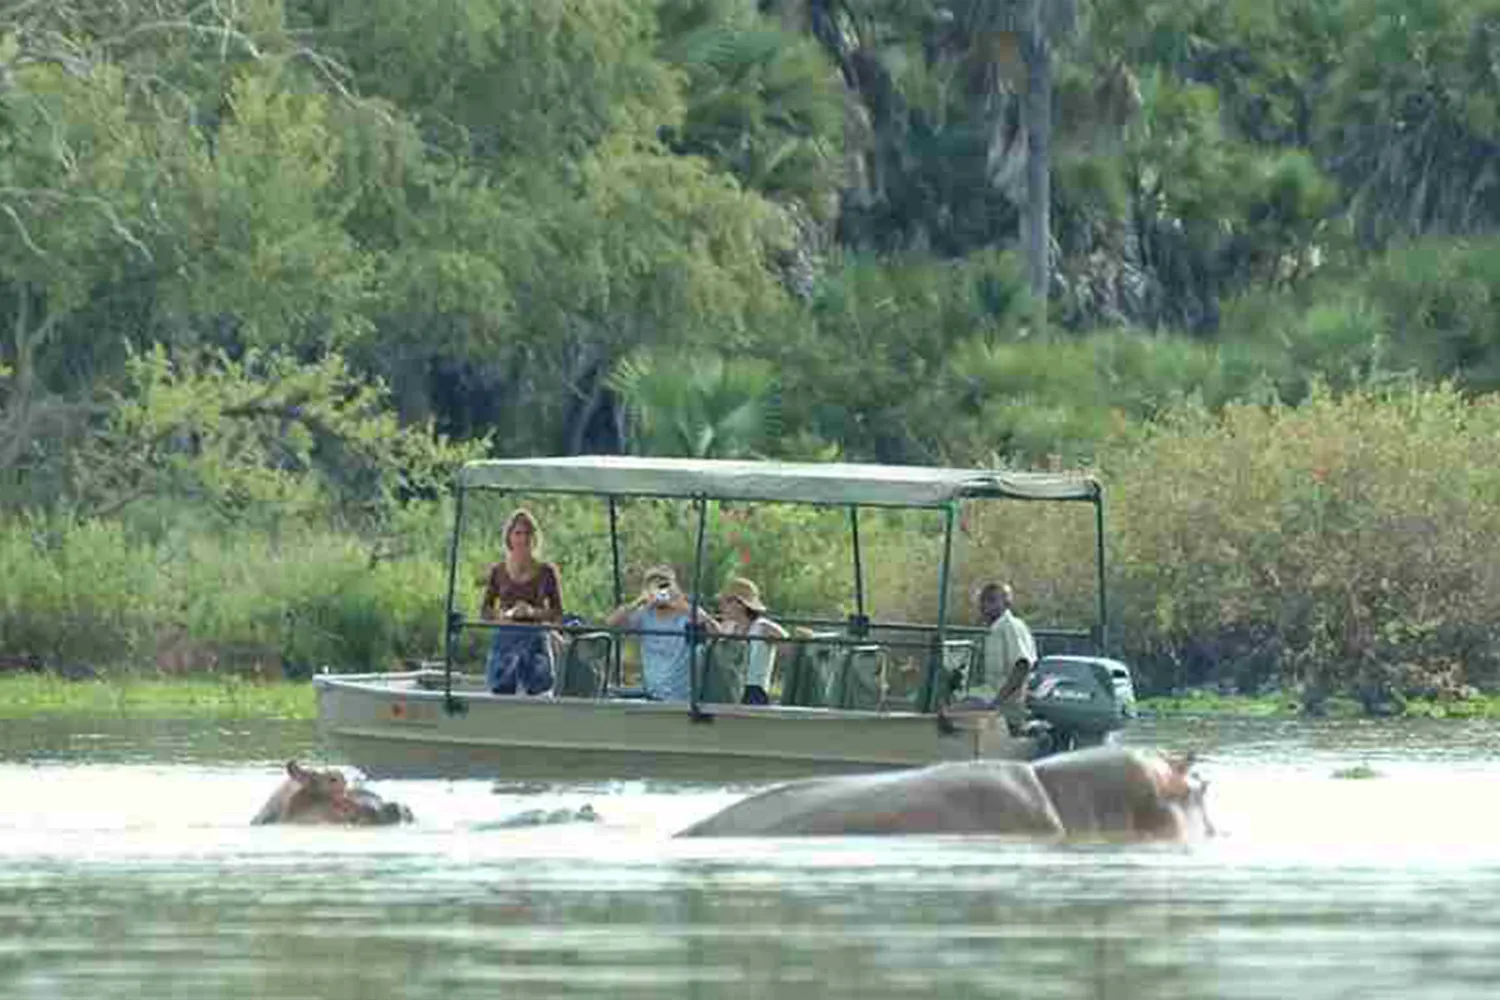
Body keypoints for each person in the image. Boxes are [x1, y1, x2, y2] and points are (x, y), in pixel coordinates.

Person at [479, 509, 562, 696]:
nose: (523, 539)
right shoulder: (498, 571)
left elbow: (557, 612)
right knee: (502, 691)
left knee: (538, 691)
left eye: (527, 534)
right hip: (505, 641)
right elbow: (485, 610)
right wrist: (503, 615)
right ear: (509, 537)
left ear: (534, 538)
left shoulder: (546, 571)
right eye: (518, 533)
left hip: (535, 640)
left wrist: (532, 612)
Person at [606, 565, 718, 702]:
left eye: (664, 585)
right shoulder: (644, 615)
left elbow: (717, 633)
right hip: (652, 693)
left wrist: (683, 606)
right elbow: (611, 624)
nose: (660, 591)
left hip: (681, 697)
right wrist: (639, 601)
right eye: (655, 586)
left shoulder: (688, 614)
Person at [716, 577, 789, 705]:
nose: (721, 606)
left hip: (755, 693)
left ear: (740, 604)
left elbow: (793, 651)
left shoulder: (764, 627)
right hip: (728, 690)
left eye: (726, 601)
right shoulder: (727, 628)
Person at [978, 581, 1038, 731]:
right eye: (983, 600)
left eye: (992, 600)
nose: (985, 605)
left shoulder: (1011, 626)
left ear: (1006, 603)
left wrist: (998, 701)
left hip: (1006, 707)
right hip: (990, 699)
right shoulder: (993, 629)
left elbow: (1022, 666)